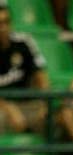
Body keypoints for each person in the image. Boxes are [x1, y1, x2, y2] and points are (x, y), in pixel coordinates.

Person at [0, 3, 49, 134]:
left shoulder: (23, 42)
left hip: (26, 105)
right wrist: (7, 107)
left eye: (6, 22)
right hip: (2, 109)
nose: (3, 28)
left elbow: (40, 75)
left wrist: (45, 103)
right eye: (0, 24)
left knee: (53, 118)